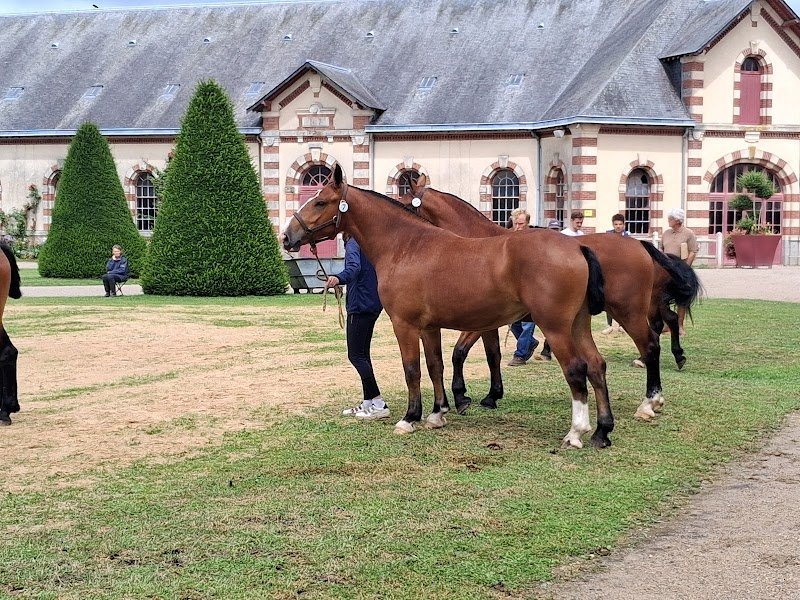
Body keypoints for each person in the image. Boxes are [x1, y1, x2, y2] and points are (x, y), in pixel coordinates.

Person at [326, 234, 390, 420]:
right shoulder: (369, 240)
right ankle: (368, 402)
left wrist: (338, 278)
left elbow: (354, 269)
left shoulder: (353, 242)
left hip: (359, 305)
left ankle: (378, 403)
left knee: (355, 355)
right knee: (363, 355)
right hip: (373, 303)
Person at [536, 212, 585, 361]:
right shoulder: (564, 236)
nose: (579, 224)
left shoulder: (581, 235)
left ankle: (548, 350)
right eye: (577, 221)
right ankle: (547, 349)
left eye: (581, 221)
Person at [506, 208, 539, 366]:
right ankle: (530, 343)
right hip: (514, 288)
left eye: (521, 224)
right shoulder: (509, 238)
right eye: (516, 223)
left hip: (531, 286)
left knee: (528, 324)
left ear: (527, 223)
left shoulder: (533, 240)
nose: (518, 227)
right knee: (514, 323)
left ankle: (520, 354)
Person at [660, 207, 698, 336]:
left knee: (682, 298)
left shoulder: (688, 233)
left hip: (681, 269)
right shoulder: (666, 233)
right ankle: (666, 324)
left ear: (677, 220)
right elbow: (661, 249)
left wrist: (686, 267)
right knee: (663, 297)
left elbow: (693, 250)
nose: (668, 221)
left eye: (670, 219)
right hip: (666, 270)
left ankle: (680, 326)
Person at [602, 213, 629, 334]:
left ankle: (622, 324)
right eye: (616, 224)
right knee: (609, 297)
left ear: (624, 225)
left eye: (620, 224)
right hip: (610, 269)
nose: (618, 226)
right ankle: (610, 324)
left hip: (624, 270)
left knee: (624, 298)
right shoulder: (608, 235)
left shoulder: (628, 237)